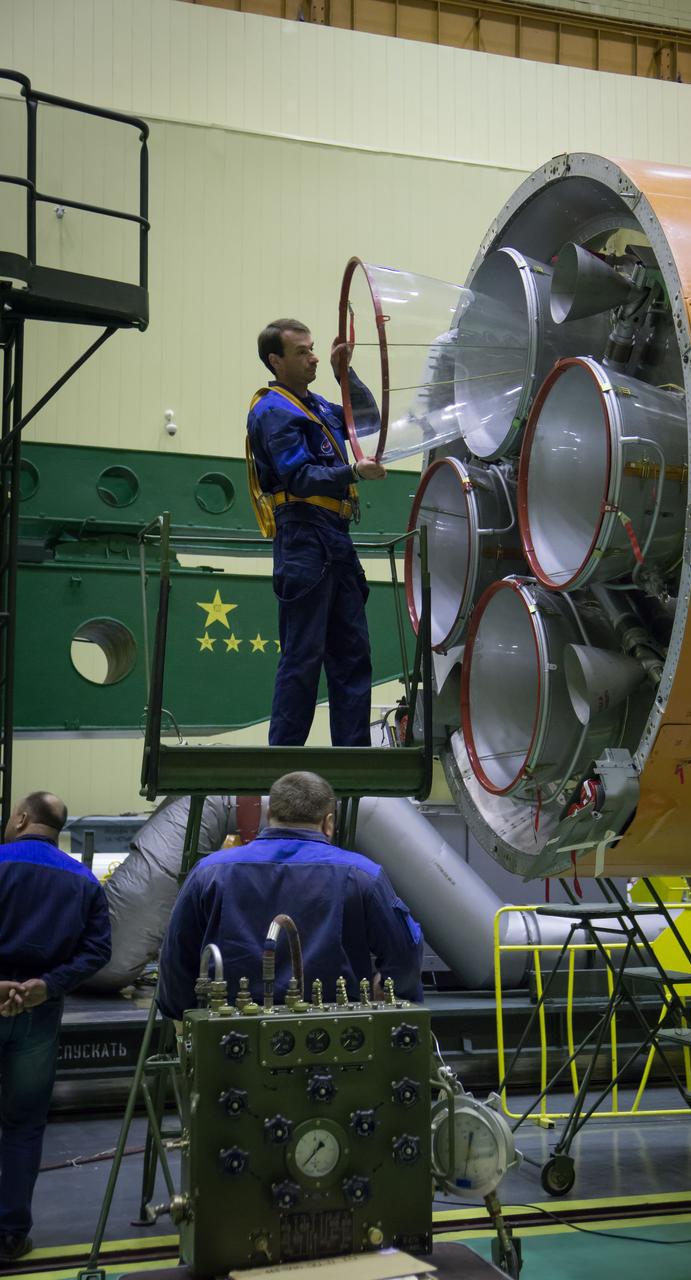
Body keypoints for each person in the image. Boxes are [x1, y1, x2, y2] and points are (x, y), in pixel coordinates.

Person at [157, 772, 423, 1019]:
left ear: (268, 813)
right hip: (339, 1037)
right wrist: (392, 991)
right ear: (329, 823)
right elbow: (405, 952)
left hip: (230, 1037)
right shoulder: (362, 874)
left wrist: (183, 1016)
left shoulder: (210, 871)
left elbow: (176, 956)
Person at [246, 318, 386, 747]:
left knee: (352, 654)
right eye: (302, 352)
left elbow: (366, 421)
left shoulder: (319, 406)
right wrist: (352, 472)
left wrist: (347, 373)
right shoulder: (273, 410)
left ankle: (354, 759)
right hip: (303, 536)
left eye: (312, 349)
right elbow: (300, 476)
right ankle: (283, 759)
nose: (312, 358)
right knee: (303, 655)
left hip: (335, 536)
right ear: (276, 360)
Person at [0, 793, 111, 1262]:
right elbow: (98, 951)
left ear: (22, 818)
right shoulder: (84, 881)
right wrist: (47, 985)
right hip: (37, 1014)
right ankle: (9, 1236)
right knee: (23, 1125)